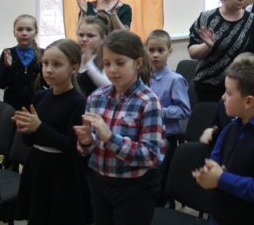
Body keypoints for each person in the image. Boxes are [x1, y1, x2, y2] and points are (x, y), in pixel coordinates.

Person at [74, 30, 165, 225]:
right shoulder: (96, 97)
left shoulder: (148, 101)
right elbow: (88, 148)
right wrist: (86, 142)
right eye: (107, 64)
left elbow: (151, 155)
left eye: (120, 63)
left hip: (134, 188)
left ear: (138, 63)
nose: (112, 70)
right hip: (99, 182)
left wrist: (110, 138)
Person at [193, 53, 254, 225]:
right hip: (219, 215)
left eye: (228, 93)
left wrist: (221, 178)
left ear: (248, 102)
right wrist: (209, 173)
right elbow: (215, 161)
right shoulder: (229, 129)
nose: (223, 97)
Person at [15, 39, 92, 225]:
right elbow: (29, 142)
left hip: (63, 173)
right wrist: (26, 129)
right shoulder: (40, 96)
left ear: (74, 68)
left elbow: (72, 147)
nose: (48, 70)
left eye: (56, 65)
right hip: (37, 167)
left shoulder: (78, 102)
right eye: (45, 63)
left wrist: (39, 127)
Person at [145, 29, 191, 206]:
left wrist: (159, 111)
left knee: (160, 181)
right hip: (147, 137)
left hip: (166, 139)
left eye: (160, 50)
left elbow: (184, 110)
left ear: (169, 52)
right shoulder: (143, 78)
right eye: (151, 50)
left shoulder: (175, 80)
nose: (155, 55)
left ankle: (163, 208)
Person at [0, 14, 44, 110]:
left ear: (36, 33)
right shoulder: (8, 53)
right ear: (14, 33)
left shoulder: (44, 54)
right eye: (20, 29)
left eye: (29, 29)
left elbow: (48, 84)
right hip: (12, 106)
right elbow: (1, 84)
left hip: (37, 105)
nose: (24, 33)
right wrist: (7, 67)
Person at [76, 16, 110, 97]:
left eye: (90, 36)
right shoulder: (75, 57)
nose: (84, 39)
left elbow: (108, 87)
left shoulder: (107, 59)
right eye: (81, 35)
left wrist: (89, 64)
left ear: (103, 39)